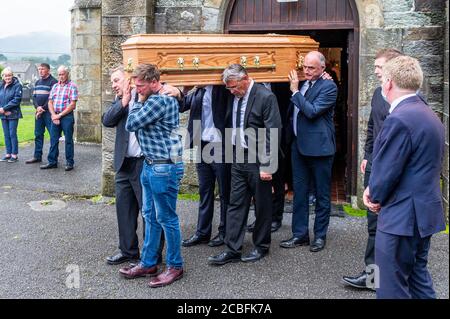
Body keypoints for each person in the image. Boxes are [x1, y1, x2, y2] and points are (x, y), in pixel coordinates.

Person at [363, 55, 445, 299]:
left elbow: (387, 170)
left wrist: (373, 194)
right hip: (424, 214)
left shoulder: (399, 118)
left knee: (391, 287)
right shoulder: (430, 115)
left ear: (388, 83)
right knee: (419, 281)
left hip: (402, 217)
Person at [208, 64, 282, 265]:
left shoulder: (265, 96)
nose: (231, 91)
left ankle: (261, 246)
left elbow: (273, 131)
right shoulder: (235, 96)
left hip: (259, 160)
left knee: (262, 205)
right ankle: (232, 249)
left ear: (245, 79)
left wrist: (268, 165)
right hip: (238, 157)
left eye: (233, 87)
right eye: (229, 88)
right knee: (236, 203)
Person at [342, 48, 403, 290]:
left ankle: (391, 277)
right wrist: (367, 155)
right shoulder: (378, 94)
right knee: (374, 226)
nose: (375, 71)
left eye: (379, 67)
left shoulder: (407, 98)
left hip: (393, 170)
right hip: (375, 166)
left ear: (393, 68)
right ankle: (372, 277)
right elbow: (371, 128)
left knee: (392, 227)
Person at [120, 64, 184, 288]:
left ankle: (175, 266)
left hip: (163, 168)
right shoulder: (153, 98)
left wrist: (135, 100)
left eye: (140, 86)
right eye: (135, 86)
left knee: (167, 218)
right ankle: (148, 263)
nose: (137, 90)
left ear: (154, 82)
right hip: (151, 165)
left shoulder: (159, 101)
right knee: (150, 215)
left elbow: (131, 123)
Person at [102, 66, 165, 266]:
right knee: (124, 211)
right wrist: (123, 102)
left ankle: (152, 255)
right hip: (124, 163)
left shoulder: (147, 97)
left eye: (116, 81)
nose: (113, 85)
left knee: (149, 212)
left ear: (129, 80)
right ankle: (128, 251)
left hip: (144, 164)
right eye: (112, 82)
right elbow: (107, 120)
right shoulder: (123, 101)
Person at [280, 51, 338, 253]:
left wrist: (295, 92)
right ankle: (300, 234)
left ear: (323, 68)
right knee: (300, 193)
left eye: (311, 68)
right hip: (298, 146)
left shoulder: (329, 86)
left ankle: (320, 236)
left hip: (320, 148)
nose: (306, 71)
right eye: (304, 66)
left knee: (322, 195)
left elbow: (312, 111)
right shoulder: (303, 82)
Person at [180, 85, 232, 248]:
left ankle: (225, 233)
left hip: (221, 145)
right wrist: (185, 90)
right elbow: (182, 106)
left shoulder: (222, 88)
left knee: (225, 192)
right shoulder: (198, 90)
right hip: (202, 144)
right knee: (204, 190)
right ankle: (203, 233)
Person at [40, 65, 78, 171]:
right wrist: (53, 115)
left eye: (63, 74)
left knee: (68, 140)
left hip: (66, 117)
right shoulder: (55, 86)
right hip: (55, 116)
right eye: (59, 74)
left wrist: (59, 115)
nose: (61, 76)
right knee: (53, 139)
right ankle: (52, 162)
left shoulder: (72, 86)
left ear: (67, 74)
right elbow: (50, 101)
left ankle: (69, 162)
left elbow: (72, 105)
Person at [25, 63, 58, 164]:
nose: (40, 71)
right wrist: (37, 107)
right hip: (39, 113)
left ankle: (53, 159)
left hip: (49, 113)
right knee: (38, 134)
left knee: (53, 135)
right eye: (39, 69)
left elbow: (52, 99)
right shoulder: (37, 82)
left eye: (42, 69)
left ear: (48, 70)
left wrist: (42, 108)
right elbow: (34, 97)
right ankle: (37, 156)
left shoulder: (54, 82)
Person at [0, 67, 22, 163]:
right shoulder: (1, 85)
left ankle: (14, 155)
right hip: (3, 114)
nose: (8, 77)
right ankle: (8, 154)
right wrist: (1, 109)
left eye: (9, 75)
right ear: (3, 76)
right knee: (6, 134)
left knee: (12, 134)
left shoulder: (17, 85)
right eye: (6, 75)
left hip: (13, 113)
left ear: (12, 75)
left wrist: (4, 108)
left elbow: (16, 100)